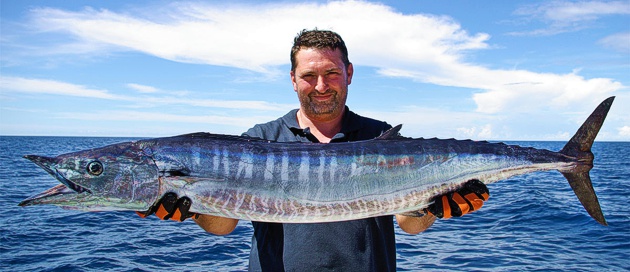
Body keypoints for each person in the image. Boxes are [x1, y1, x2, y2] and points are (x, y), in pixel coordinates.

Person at [139, 29, 489, 271]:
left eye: (332, 73)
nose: (320, 86)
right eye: (309, 76)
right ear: (293, 79)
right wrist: (195, 211)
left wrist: (434, 208)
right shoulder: (259, 140)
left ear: (349, 74)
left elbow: (410, 225)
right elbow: (224, 226)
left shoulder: (379, 137)